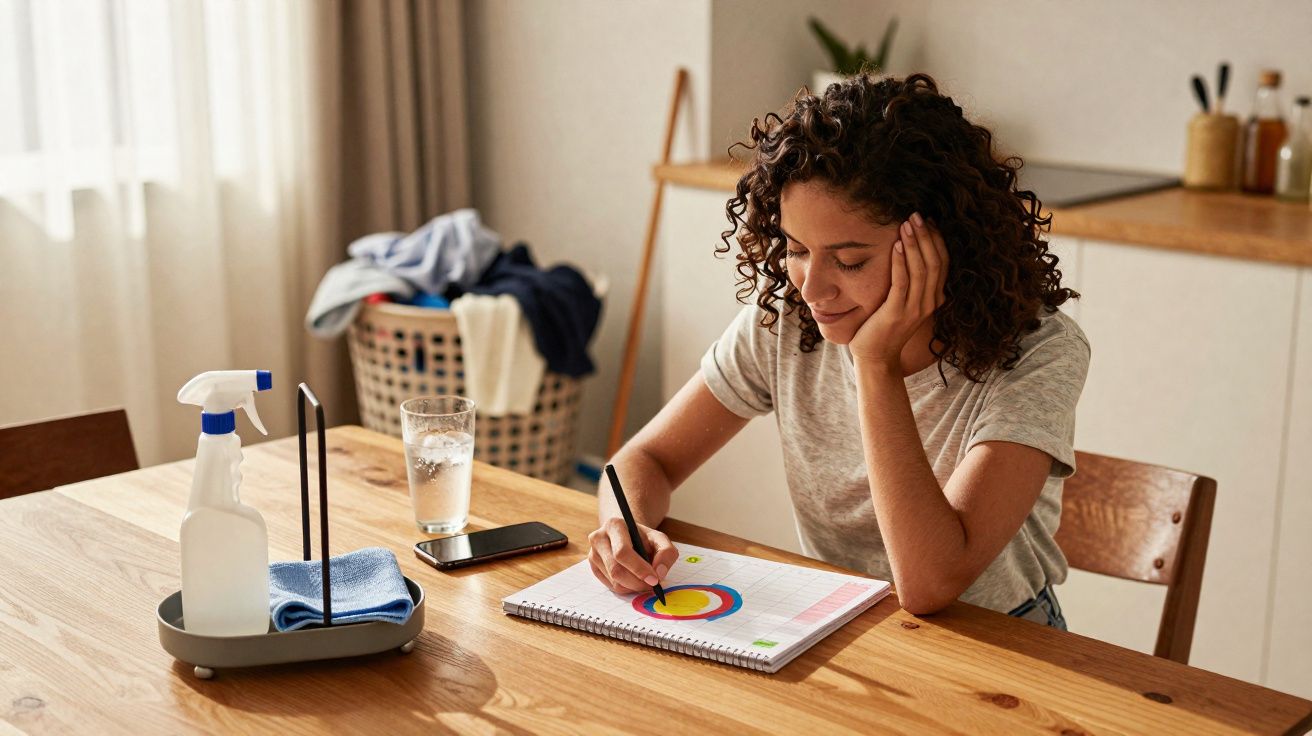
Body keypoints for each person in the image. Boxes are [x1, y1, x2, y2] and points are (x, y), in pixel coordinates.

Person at [589, 73, 1089, 628]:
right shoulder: (789, 321)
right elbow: (644, 460)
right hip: (842, 622)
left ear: (940, 246)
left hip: (1002, 638)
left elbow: (929, 583)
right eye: (798, 249)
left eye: (850, 261)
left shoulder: (1039, 352)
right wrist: (624, 528)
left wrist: (876, 365)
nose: (812, 287)